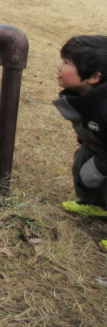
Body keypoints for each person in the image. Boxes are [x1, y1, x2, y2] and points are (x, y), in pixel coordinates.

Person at [53, 35, 107, 251]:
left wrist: (101, 166)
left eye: (67, 63)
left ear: (94, 77)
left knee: (92, 171)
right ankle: (98, 205)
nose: (60, 66)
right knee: (83, 159)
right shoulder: (87, 96)